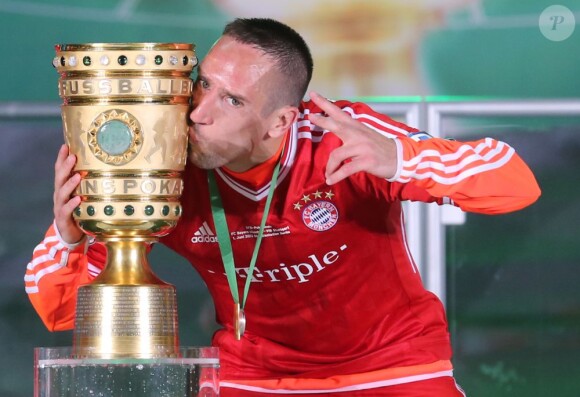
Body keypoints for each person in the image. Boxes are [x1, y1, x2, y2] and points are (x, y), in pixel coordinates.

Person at [25, 18, 541, 396]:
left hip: (393, 368)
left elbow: (515, 182)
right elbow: (60, 311)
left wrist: (400, 158)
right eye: (203, 82)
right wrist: (69, 236)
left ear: (280, 122)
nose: (199, 112)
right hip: (254, 378)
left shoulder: (342, 138)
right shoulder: (166, 166)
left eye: (232, 101)